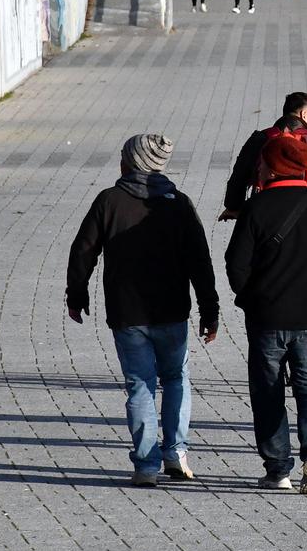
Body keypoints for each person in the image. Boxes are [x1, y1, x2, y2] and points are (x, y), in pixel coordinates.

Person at [65, 134, 220, 488]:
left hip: (127, 313)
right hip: (172, 311)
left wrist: (77, 295)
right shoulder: (179, 204)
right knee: (177, 379)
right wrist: (209, 310)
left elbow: (83, 251)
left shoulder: (110, 201)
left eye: (123, 157)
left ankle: (147, 465)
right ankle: (176, 453)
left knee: (140, 385)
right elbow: (200, 262)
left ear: (132, 163)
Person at [226, 133, 307, 494]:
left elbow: (236, 264)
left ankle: (278, 469)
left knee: (268, 393)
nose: (259, 168)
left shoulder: (255, 209)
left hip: (266, 319)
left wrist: (249, 299)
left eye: (263, 163)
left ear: (274, 166)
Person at [220, 91, 307, 221]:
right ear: (304, 115)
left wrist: (233, 206)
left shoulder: (259, 138)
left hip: (264, 211)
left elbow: (239, 174)